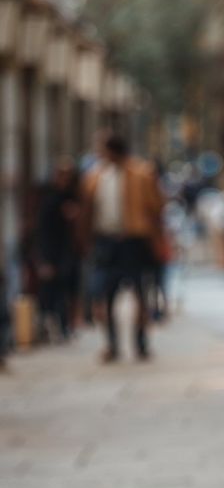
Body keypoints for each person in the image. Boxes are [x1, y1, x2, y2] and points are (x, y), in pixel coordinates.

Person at [80, 130, 164, 363]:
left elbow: (157, 208)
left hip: (134, 241)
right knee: (104, 295)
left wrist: (157, 239)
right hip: (105, 241)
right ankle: (112, 344)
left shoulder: (142, 173)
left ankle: (141, 343)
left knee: (140, 293)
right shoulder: (95, 176)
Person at [34, 157, 83, 343]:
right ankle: (50, 328)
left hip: (69, 251)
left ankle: (65, 326)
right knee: (51, 292)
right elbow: (43, 230)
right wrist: (44, 258)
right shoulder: (49, 198)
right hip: (52, 251)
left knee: (67, 290)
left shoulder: (73, 197)